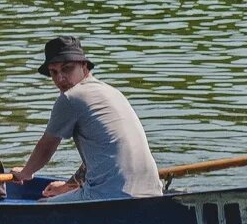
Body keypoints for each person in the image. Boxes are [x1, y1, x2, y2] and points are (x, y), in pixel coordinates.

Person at [11, 37, 162, 202]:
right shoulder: (111, 92)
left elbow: (47, 146)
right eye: (53, 72)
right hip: (152, 192)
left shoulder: (71, 98)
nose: (60, 79)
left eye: (66, 69)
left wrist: (26, 173)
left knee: (41, 205)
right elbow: (103, 155)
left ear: (84, 66)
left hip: (112, 196)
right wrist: (68, 186)